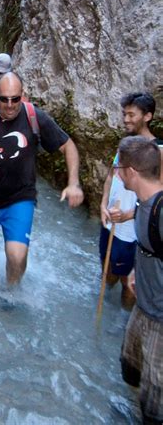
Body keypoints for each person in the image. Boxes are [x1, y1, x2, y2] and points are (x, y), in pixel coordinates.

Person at [0, 72, 83, 286]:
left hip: (20, 199)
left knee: (17, 256)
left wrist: (73, 183)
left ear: (23, 95)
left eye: (15, 99)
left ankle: (11, 296)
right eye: (4, 99)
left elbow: (68, 146)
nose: (10, 105)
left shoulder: (36, 118)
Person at [100, 92, 162, 310]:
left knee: (129, 282)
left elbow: (159, 202)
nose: (126, 119)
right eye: (124, 114)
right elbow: (111, 176)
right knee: (107, 271)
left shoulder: (159, 152)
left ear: (147, 116)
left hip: (131, 231)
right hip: (110, 222)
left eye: (131, 114)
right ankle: (106, 306)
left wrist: (128, 215)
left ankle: (123, 320)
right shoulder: (126, 145)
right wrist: (102, 204)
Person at [116, 136, 162, 425]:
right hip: (143, 308)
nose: (117, 172)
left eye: (119, 167)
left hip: (160, 320)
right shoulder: (142, 205)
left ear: (131, 172)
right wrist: (135, 270)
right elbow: (148, 248)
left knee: (154, 404)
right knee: (130, 370)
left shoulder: (160, 210)